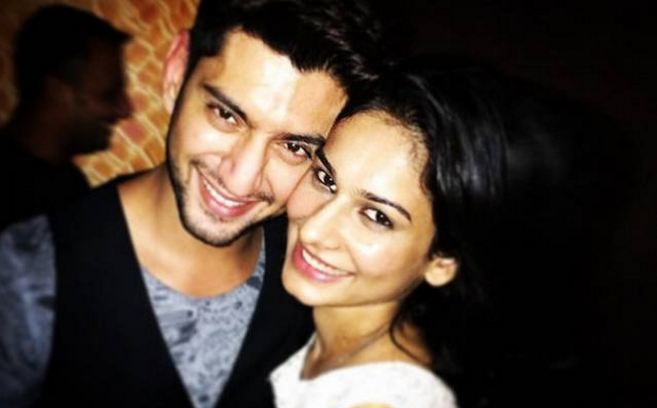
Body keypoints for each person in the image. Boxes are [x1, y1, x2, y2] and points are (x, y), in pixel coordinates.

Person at [0, 0, 382, 407]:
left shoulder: (313, 273)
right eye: (226, 115)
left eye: (294, 147)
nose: (240, 179)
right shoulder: (28, 271)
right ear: (177, 73)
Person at [269, 62, 510, 407]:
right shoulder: (326, 331)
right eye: (325, 179)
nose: (313, 230)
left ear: (441, 262)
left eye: (377, 216)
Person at [0, 5, 132, 230]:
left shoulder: (68, 183)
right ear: (57, 93)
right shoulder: (12, 195)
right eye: (108, 95)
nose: (125, 110)